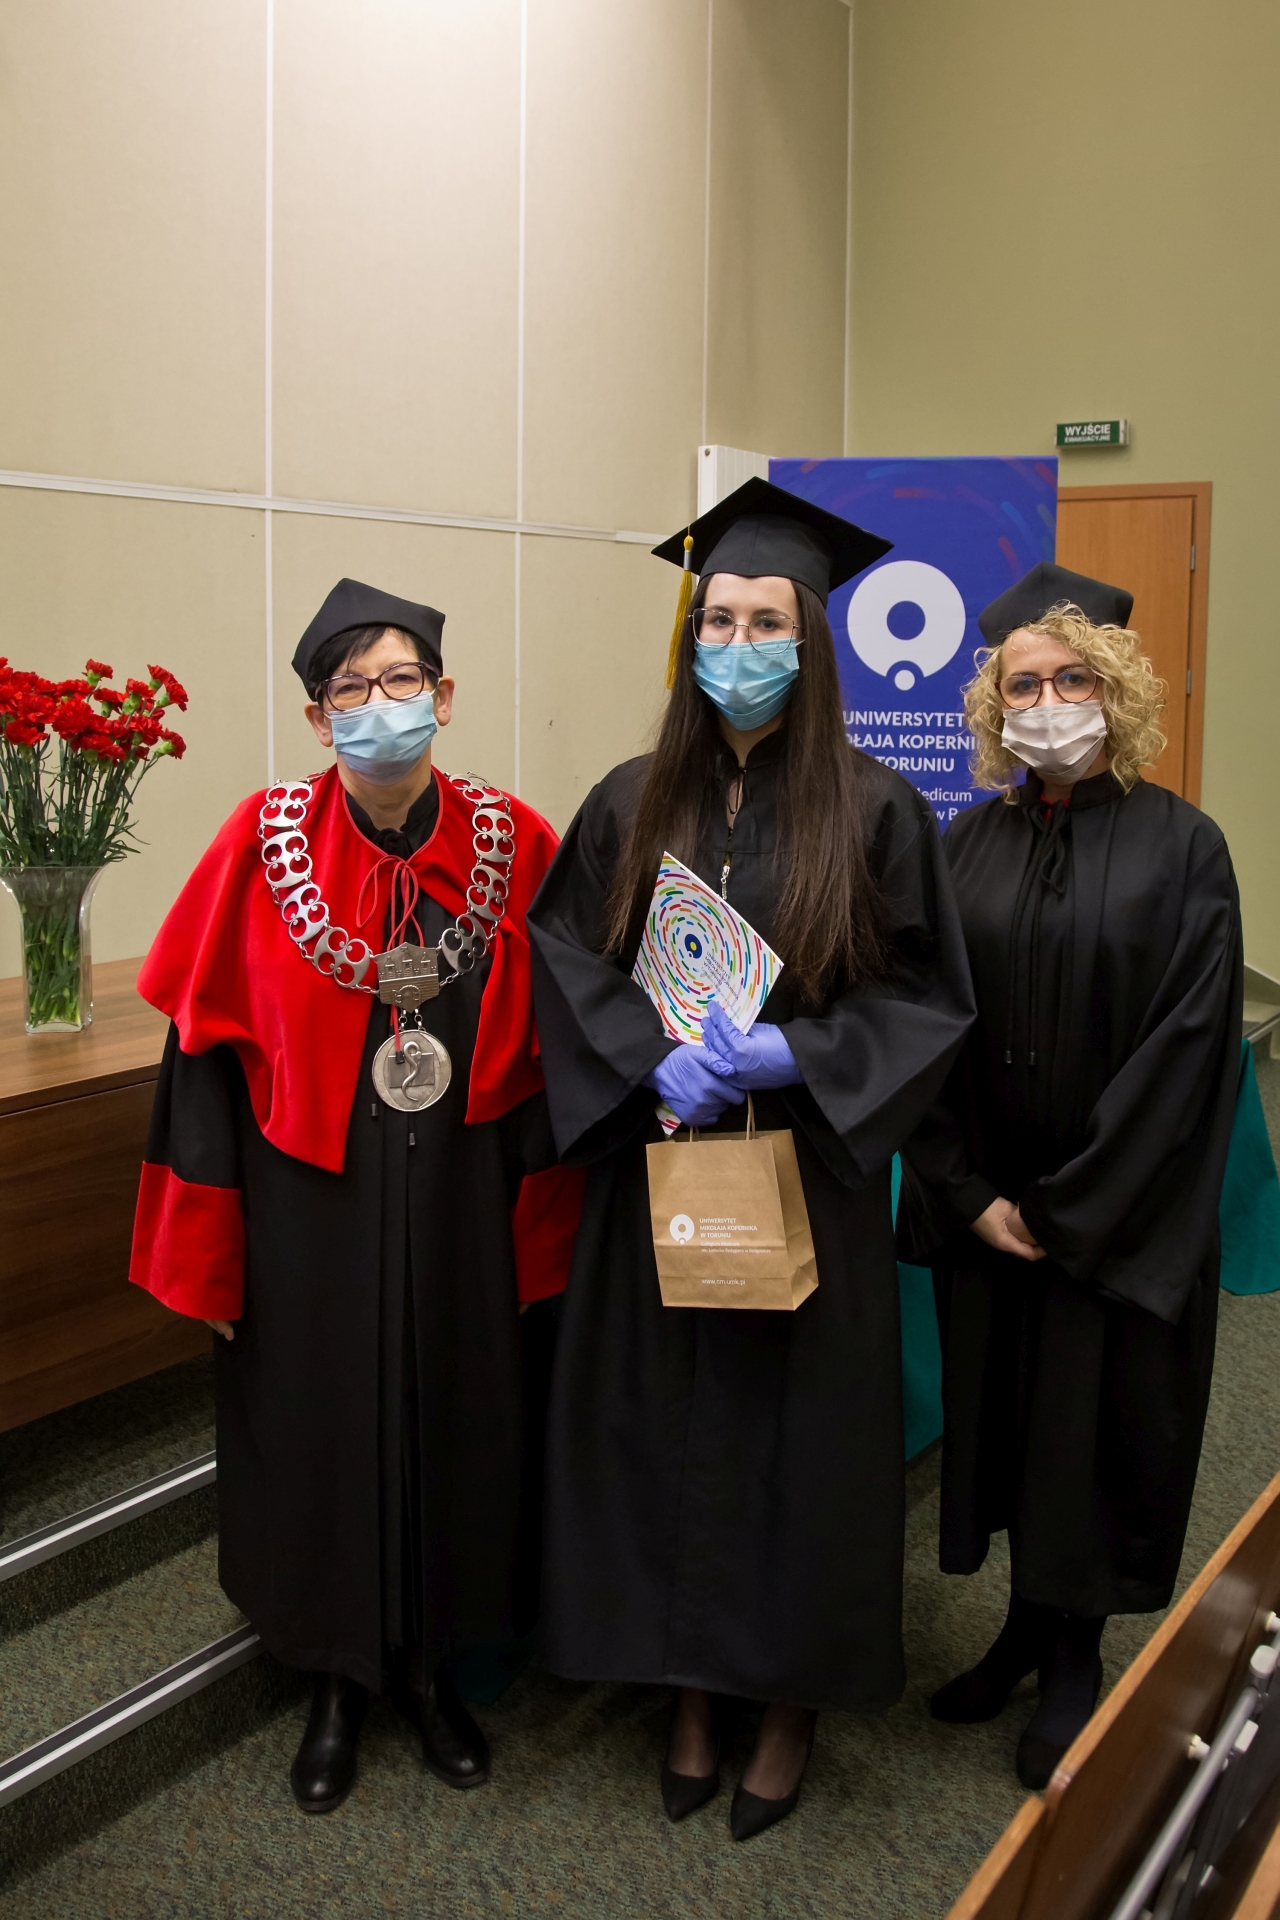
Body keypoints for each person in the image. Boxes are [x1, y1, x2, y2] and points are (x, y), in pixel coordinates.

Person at [526, 478, 975, 1840]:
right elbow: (564, 959)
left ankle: (786, 1705)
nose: (738, 644)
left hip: (800, 1175)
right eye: (717, 619)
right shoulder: (626, 800)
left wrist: (799, 1055)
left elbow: (928, 998)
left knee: (799, 1449)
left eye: (766, 621)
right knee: (655, 1430)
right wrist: (642, 1057)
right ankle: (684, 1689)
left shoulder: (877, 812)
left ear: (811, 641)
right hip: (661, 1167)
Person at [129, 578, 581, 1813]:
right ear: (317, 717)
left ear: (443, 695)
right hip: (305, 1214)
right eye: (350, 689)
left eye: (401, 681)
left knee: (460, 1420)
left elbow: (557, 1058)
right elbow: (201, 1068)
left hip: (462, 1208)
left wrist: (544, 1234)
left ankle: (432, 1672)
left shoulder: (515, 842)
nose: (380, 705)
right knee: (312, 1432)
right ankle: (331, 1678)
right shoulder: (259, 843)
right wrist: (209, 1254)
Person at [898, 562, 1243, 1789]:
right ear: (992, 707)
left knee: (1092, 1436)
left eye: (1072, 679)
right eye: (1022, 685)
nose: (1047, 704)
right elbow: (925, 1025)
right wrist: (966, 1195)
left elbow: (1185, 1055)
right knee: (1008, 1426)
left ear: (1118, 690)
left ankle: (1071, 1656)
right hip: (992, 1211)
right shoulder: (966, 843)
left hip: (1113, 1218)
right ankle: (1018, 1632)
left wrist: (1064, 1210)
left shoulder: (1183, 848)